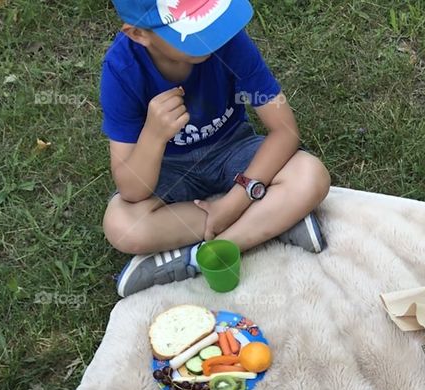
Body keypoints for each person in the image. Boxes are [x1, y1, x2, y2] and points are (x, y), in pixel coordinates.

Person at [100, 0, 331, 297]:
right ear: (138, 34)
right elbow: (132, 189)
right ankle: (270, 220)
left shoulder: (229, 42)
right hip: (169, 171)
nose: (211, 34)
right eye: (192, 29)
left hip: (233, 149)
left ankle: (200, 257)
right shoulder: (121, 71)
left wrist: (234, 202)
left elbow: (284, 131)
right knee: (121, 224)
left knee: (310, 174)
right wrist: (153, 137)